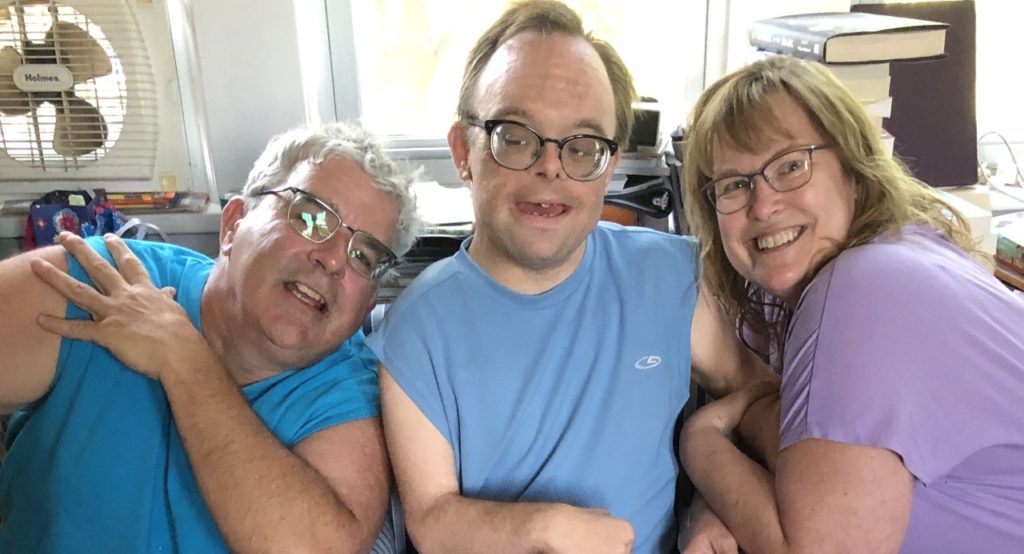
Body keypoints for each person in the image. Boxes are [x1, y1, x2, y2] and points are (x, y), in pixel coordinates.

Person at [365, 2, 774, 553]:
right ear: (464, 152)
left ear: (610, 165)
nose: (551, 167)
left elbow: (757, 394)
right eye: (515, 136)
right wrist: (545, 529)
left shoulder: (669, 277)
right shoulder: (418, 325)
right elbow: (433, 519)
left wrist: (711, 503)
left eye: (582, 146)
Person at [0, 122, 421, 552]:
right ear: (234, 224)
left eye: (364, 257)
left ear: (368, 303)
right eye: (312, 218)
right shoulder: (110, 281)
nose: (333, 260)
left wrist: (182, 356)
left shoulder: (349, 390)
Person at [679, 55, 1024, 552]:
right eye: (734, 185)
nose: (762, 204)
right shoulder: (846, 269)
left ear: (854, 172)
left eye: (791, 166)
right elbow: (795, 457)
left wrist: (703, 442)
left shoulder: (864, 289)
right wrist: (713, 506)